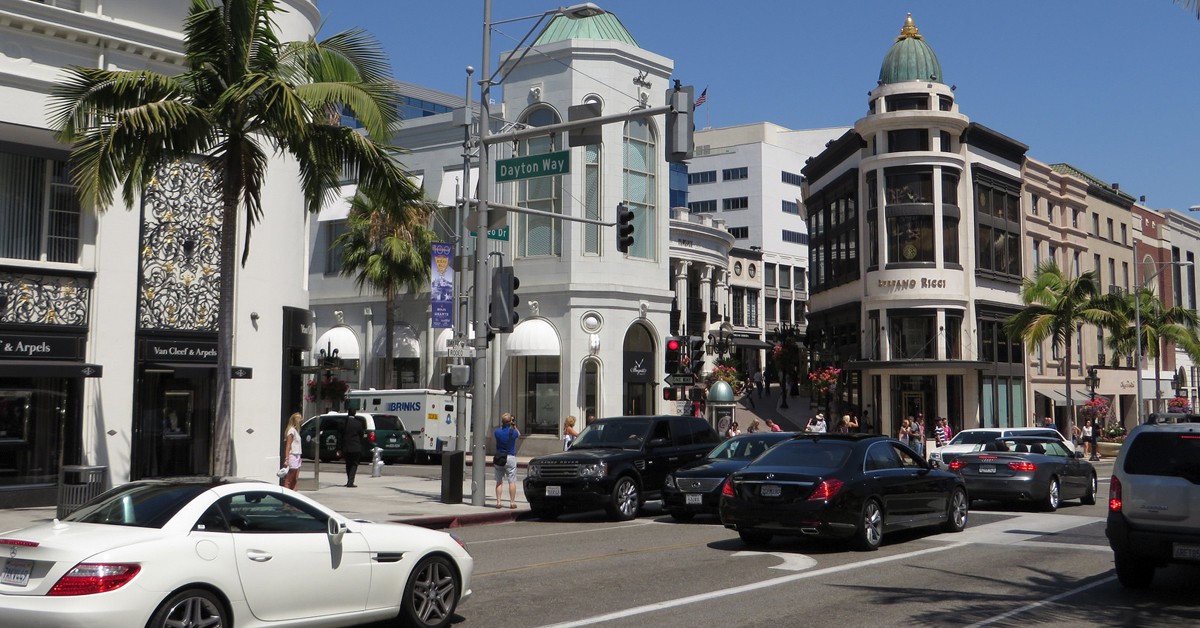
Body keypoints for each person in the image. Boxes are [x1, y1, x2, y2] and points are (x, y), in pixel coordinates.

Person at [494, 412, 520, 509]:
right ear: (510, 422)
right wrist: (514, 426)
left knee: (499, 481)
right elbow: (519, 434)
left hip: (499, 457)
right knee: (512, 481)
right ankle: (512, 502)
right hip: (510, 457)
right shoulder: (513, 432)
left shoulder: (497, 432)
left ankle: (498, 502)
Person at [338, 409, 366, 488]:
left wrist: (339, 448)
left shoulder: (343, 423)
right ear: (355, 414)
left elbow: (340, 436)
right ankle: (350, 481)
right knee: (354, 464)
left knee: (348, 464)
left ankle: (349, 480)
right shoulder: (358, 424)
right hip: (355, 447)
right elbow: (361, 435)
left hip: (346, 447)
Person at [281, 412, 303, 490]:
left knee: (295, 479)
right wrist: (287, 459)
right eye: (299, 418)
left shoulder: (296, 431)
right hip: (293, 455)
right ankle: (286, 496)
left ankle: (293, 495)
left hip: (298, 455)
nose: (301, 420)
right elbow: (288, 445)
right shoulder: (291, 431)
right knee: (289, 479)